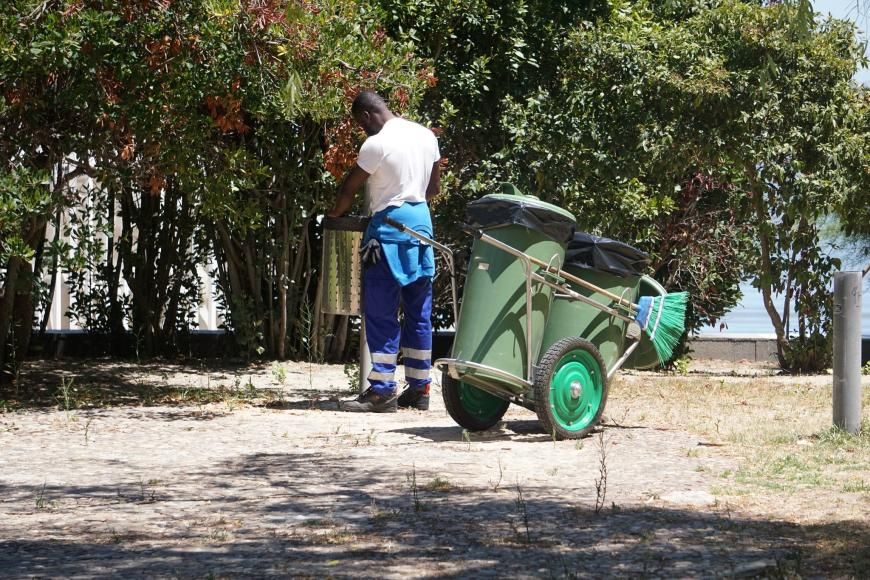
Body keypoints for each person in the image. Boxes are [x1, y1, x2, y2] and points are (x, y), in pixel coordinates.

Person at [327, 91, 441, 413]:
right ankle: (420, 390)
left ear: (366, 116)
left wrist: (333, 216)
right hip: (422, 230)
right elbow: (433, 190)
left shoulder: (376, 144)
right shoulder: (425, 136)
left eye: (359, 124)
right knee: (419, 314)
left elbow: (348, 189)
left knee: (381, 312)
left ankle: (381, 391)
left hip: (387, 233)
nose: (362, 131)